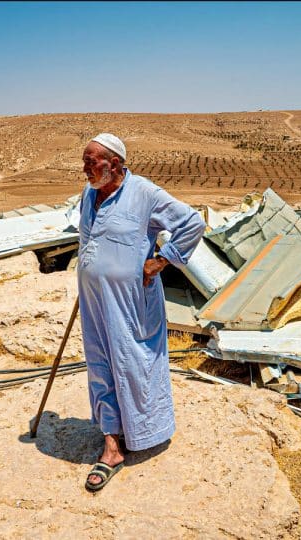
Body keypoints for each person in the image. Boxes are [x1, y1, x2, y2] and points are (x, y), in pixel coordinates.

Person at [77, 133, 205, 491]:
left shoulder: (144, 193)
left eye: (92, 162)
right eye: (84, 162)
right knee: (100, 364)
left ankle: (145, 431)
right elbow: (91, 239)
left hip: (132, 301)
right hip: (94, 298)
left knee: (133, 364)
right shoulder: (89, 194)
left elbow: (192, 223)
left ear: (114, 164)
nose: (85, 169)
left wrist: (162, 260)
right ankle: (112, 444)